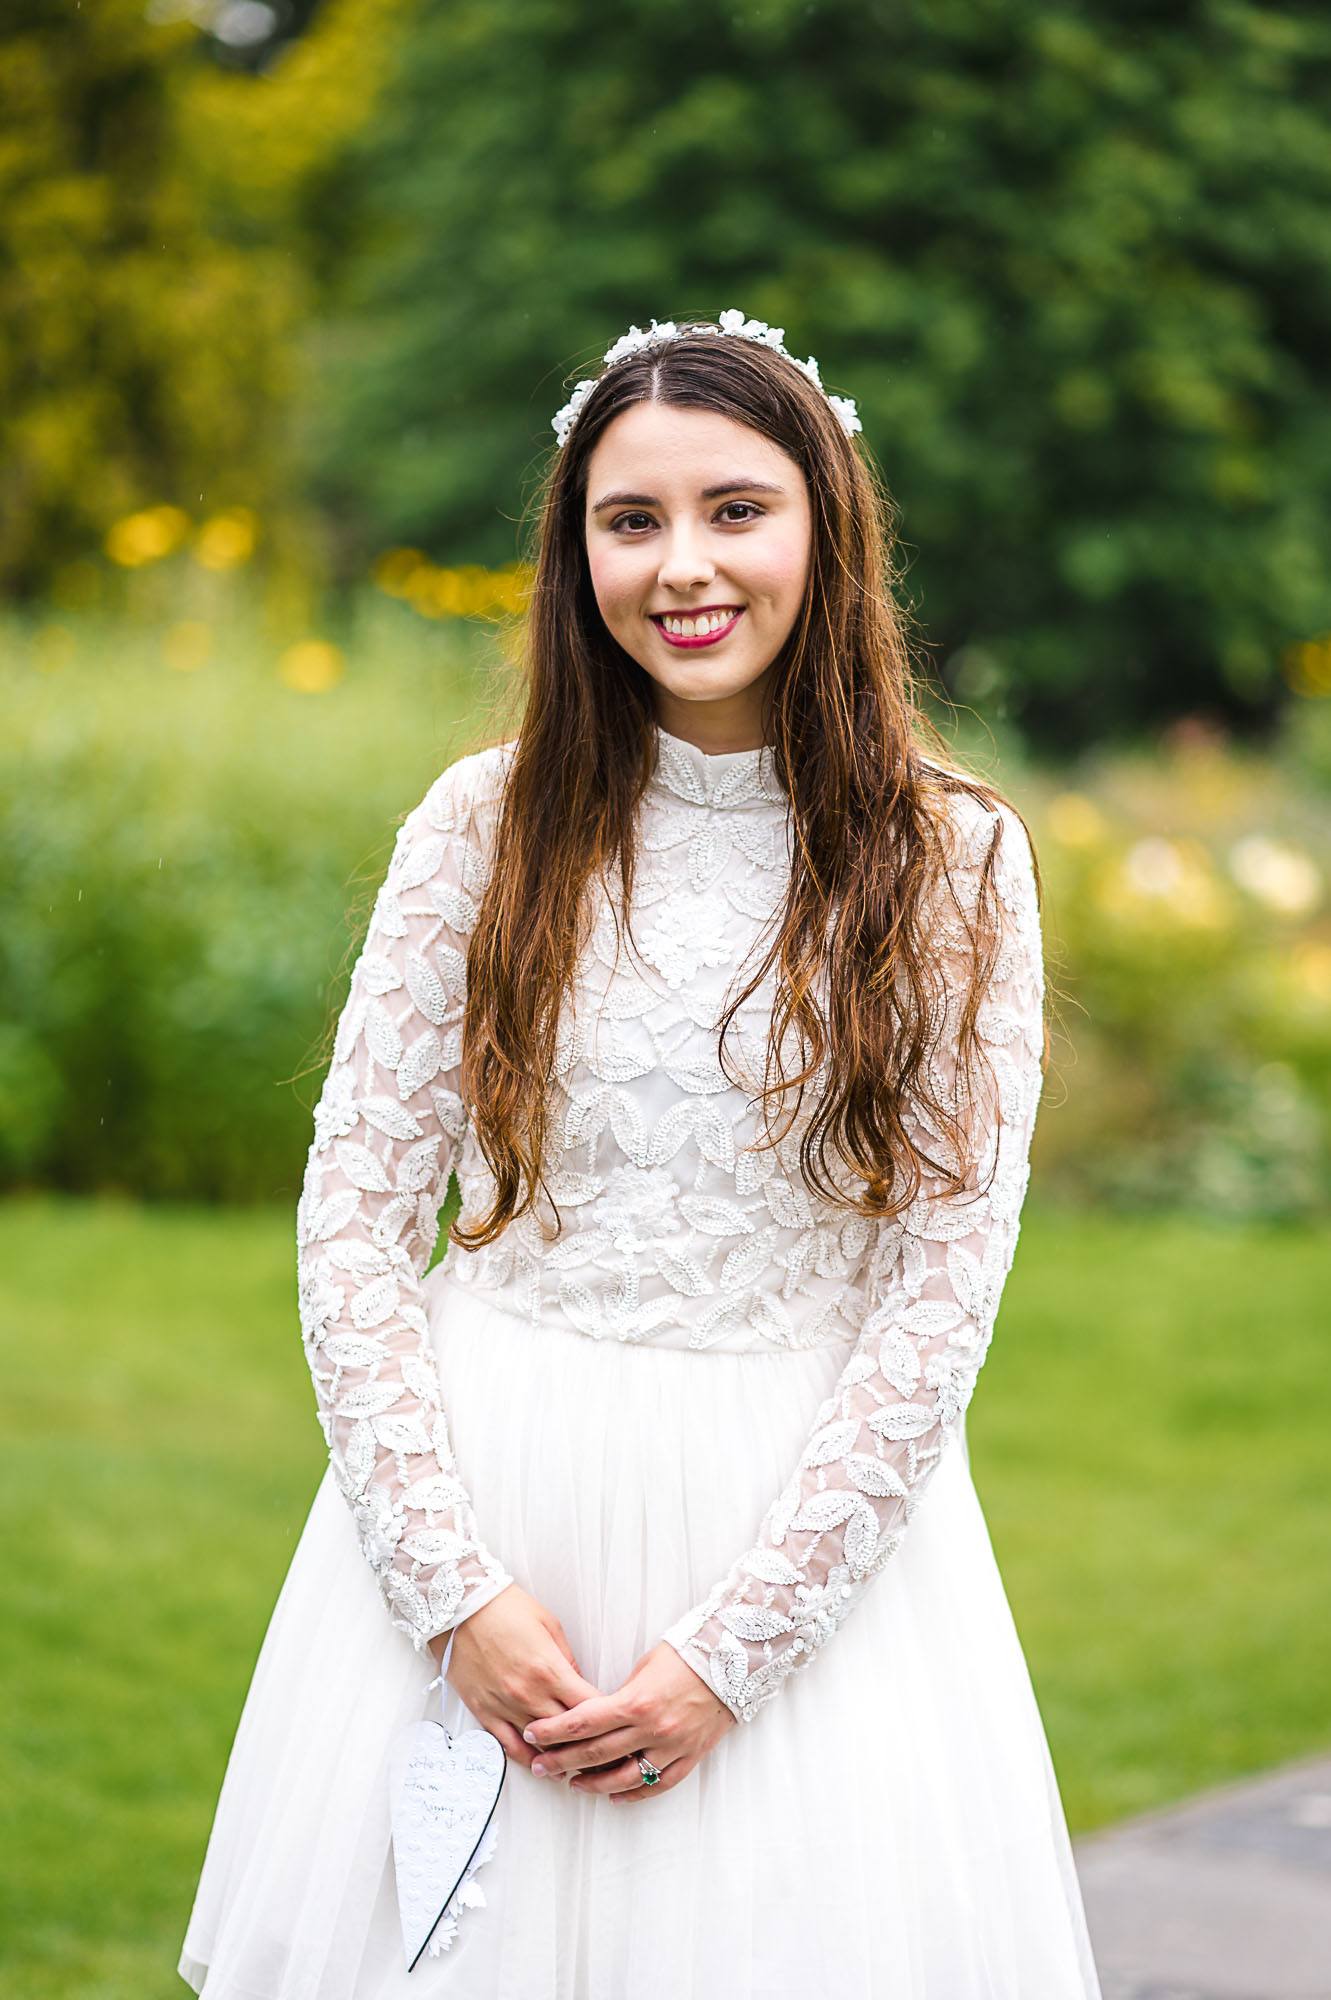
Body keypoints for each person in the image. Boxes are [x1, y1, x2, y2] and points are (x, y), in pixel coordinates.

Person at [180, 312, 1101, 1999]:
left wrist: (731, 1657)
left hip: (801, 1565)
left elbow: (940, 1295)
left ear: (827, 526)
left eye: (736, 509)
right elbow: (352, 1226)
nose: (684, 564)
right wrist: (451, 1590)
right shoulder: (486, 824)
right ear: (576, 546)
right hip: (488, 1514)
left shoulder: (952, 862)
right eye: (632, 519)